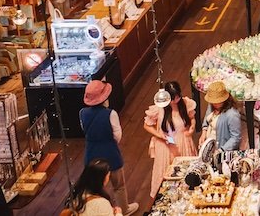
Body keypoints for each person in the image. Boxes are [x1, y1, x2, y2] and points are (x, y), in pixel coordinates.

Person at [79, 80, 137, 215]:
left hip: (91, 154)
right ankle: (124, 209)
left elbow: (84, 130)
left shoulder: (82, 113)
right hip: (111, 153)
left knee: (93, 187)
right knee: (119, 185)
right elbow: (117, 135)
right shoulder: (111, 114)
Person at [143, 81, 196, 198]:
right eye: (172, 98)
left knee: (185, 172)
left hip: (183, 142)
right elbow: (147, 125)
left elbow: (192, 118)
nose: (175, 100)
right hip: (166, 146)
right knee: (166, 174)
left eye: (177, 97)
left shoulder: (185, 103)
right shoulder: (159, 108)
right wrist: (159, 134)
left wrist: (192, 127)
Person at [200, 81, 245, 151]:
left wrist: (221, 150)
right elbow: (207, 119)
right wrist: (204, 133)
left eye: (217, 102)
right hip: (209, 144)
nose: (214, 103)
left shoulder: (232, 114)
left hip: (221, 148)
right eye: (213, 101)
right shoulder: (212, 104)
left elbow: (236, 138)